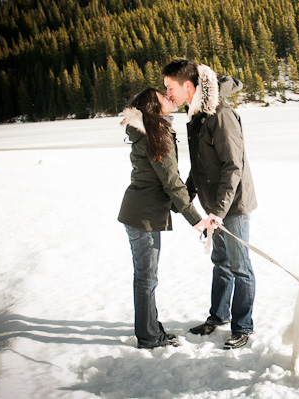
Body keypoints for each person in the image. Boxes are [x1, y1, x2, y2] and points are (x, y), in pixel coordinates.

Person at [162, 59, 258, 349]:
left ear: (188, 86)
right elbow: (201, 166)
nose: (168, 94)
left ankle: (243, 327)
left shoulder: (220, 115)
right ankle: (218, 316)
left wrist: (219, 210)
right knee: (221, 262)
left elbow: (233, 166)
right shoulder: (198, 116)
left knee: (240, 266)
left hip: (233, 205)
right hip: (214, 205)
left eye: (170, 88)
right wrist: (182, 197)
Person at [118, 87, 207, 349]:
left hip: (140, 212)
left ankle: (150, 330)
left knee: (145, 277)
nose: (170, 98)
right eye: (163, 98)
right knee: (146, 278)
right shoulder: (155, 135)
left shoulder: (151, 131)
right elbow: (171, 182)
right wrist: (195, 218)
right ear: (152, 109)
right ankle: (148, 337)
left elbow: (169, 182)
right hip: (142, 216)